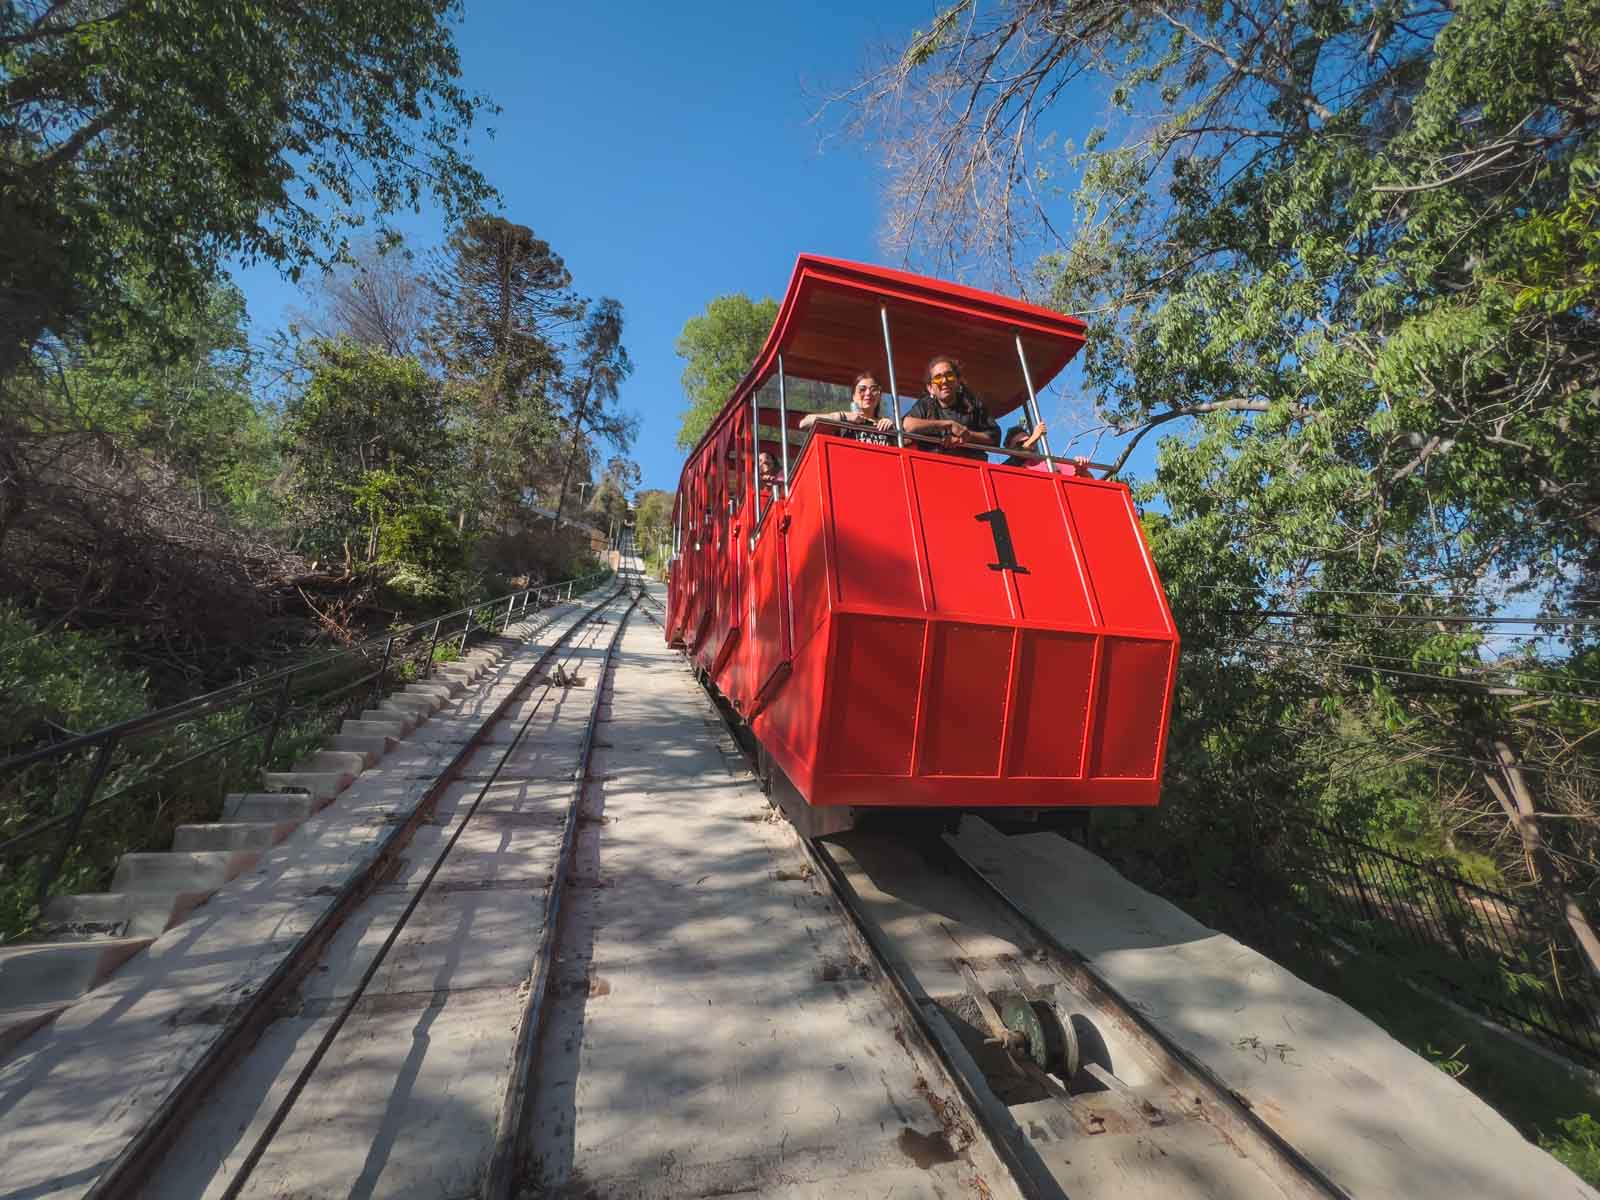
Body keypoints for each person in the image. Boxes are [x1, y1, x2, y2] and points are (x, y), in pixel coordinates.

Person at [902, 356, 999, 458]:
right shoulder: (925, 404)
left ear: (958, 381)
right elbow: (907, 425)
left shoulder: (973, 404)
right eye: (938, 378)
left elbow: (994, 438)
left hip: (973, 467)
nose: (944, 381)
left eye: (949, 375)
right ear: (930, 388)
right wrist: (948, 425)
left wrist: (967, 436)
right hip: (933, 466)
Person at [798, 372, 897, 445]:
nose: (868, 393)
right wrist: (843, 416)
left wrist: (893, 428)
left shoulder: (886, 424)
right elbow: (804, 423)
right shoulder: (845, 421)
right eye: (862, 390)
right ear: (853, 396)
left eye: (874, 389)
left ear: (879, 396)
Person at [1002, 420, 1093, 476]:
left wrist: (1082, 469)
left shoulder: (1051, 462)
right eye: (1021, 443)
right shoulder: (1008, 470)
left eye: (1029, 440)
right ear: (1010, 451)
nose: (1031, 443)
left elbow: (1089, 480)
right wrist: (1034, 436)